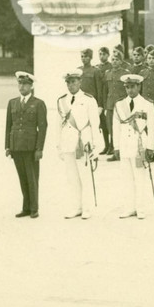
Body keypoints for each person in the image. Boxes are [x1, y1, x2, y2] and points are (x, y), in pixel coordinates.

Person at [56, 70, 101, 219]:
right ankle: (76, 207)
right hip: (68, 142)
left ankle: (87, 208)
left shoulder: (89, 100)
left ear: (80, 82)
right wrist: (59, 146)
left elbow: (95, 124)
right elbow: (59, 125)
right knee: (72, 178)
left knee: (85, 177)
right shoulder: (61, 100)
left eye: (73, 81)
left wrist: (97, 146)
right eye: (68, 82)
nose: (70, 85)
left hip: (83, 142)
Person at [113, 74, 154, 218]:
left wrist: (150, 147)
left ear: (139, 86)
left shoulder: (147, 104)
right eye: (127, 87)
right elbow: (116, 127)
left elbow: (152, 126)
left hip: (139, 145)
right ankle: (129, 207)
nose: (130, 90)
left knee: (140, 178)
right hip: (125, 144)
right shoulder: (119, 104)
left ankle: (141, 208)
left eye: (132, 87)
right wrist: (116, 147)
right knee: (126, 179)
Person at [5, 71, 47, 218]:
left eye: (25, 84)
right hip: (16, 145)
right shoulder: (12, 103)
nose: (22, 86)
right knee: (22, 178)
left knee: (32, 178)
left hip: (30, 147)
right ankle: (26, 207)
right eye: (20, 83)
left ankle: (34, 208)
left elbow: (42, 128)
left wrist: (39, 148)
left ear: (31, 86)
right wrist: (8, 146)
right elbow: (8, 126)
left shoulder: (38, 104)